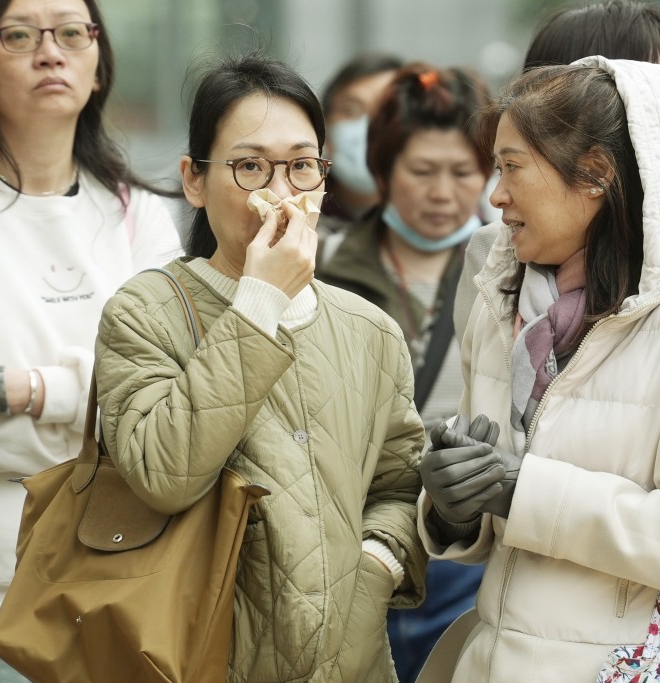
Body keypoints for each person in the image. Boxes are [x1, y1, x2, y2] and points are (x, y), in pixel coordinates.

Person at [416, 58, 660, 682]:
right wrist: (454, 503)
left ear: (594, 174)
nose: (495, 196)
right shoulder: (501, 303)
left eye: (511, 167)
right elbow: (495, 520)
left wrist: (521, 487)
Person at [94, 52, 427, 682]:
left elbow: (399, 485)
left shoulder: (369, 328)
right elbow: (164, 473)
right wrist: (260, 301)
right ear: (194, 180)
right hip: (197, 656)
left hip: (348, 664)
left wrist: (376, 567)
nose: (280, 194)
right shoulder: (145, 311)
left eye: (301, 166)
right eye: (250, 167)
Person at [0, 0, 181, 679]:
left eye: (72, 32)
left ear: (98, 66)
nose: (51, 51)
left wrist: (16, 388)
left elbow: (164, 415)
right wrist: (98, 411)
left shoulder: (142, 218)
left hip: (116, 591)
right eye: (19, 34)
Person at [316, 63, 491, 682]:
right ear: (383, 169)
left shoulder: (509, 274)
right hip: (350, 547)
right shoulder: (322, 265)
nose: (443, 193)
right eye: (422, 171)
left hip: (465, 550)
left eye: (464, 172)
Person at [317, 53, 404, 237]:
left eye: (385, 111)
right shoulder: (301, 211)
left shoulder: (439, 216)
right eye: (351, 110)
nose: (367, 127)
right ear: (325, 126)